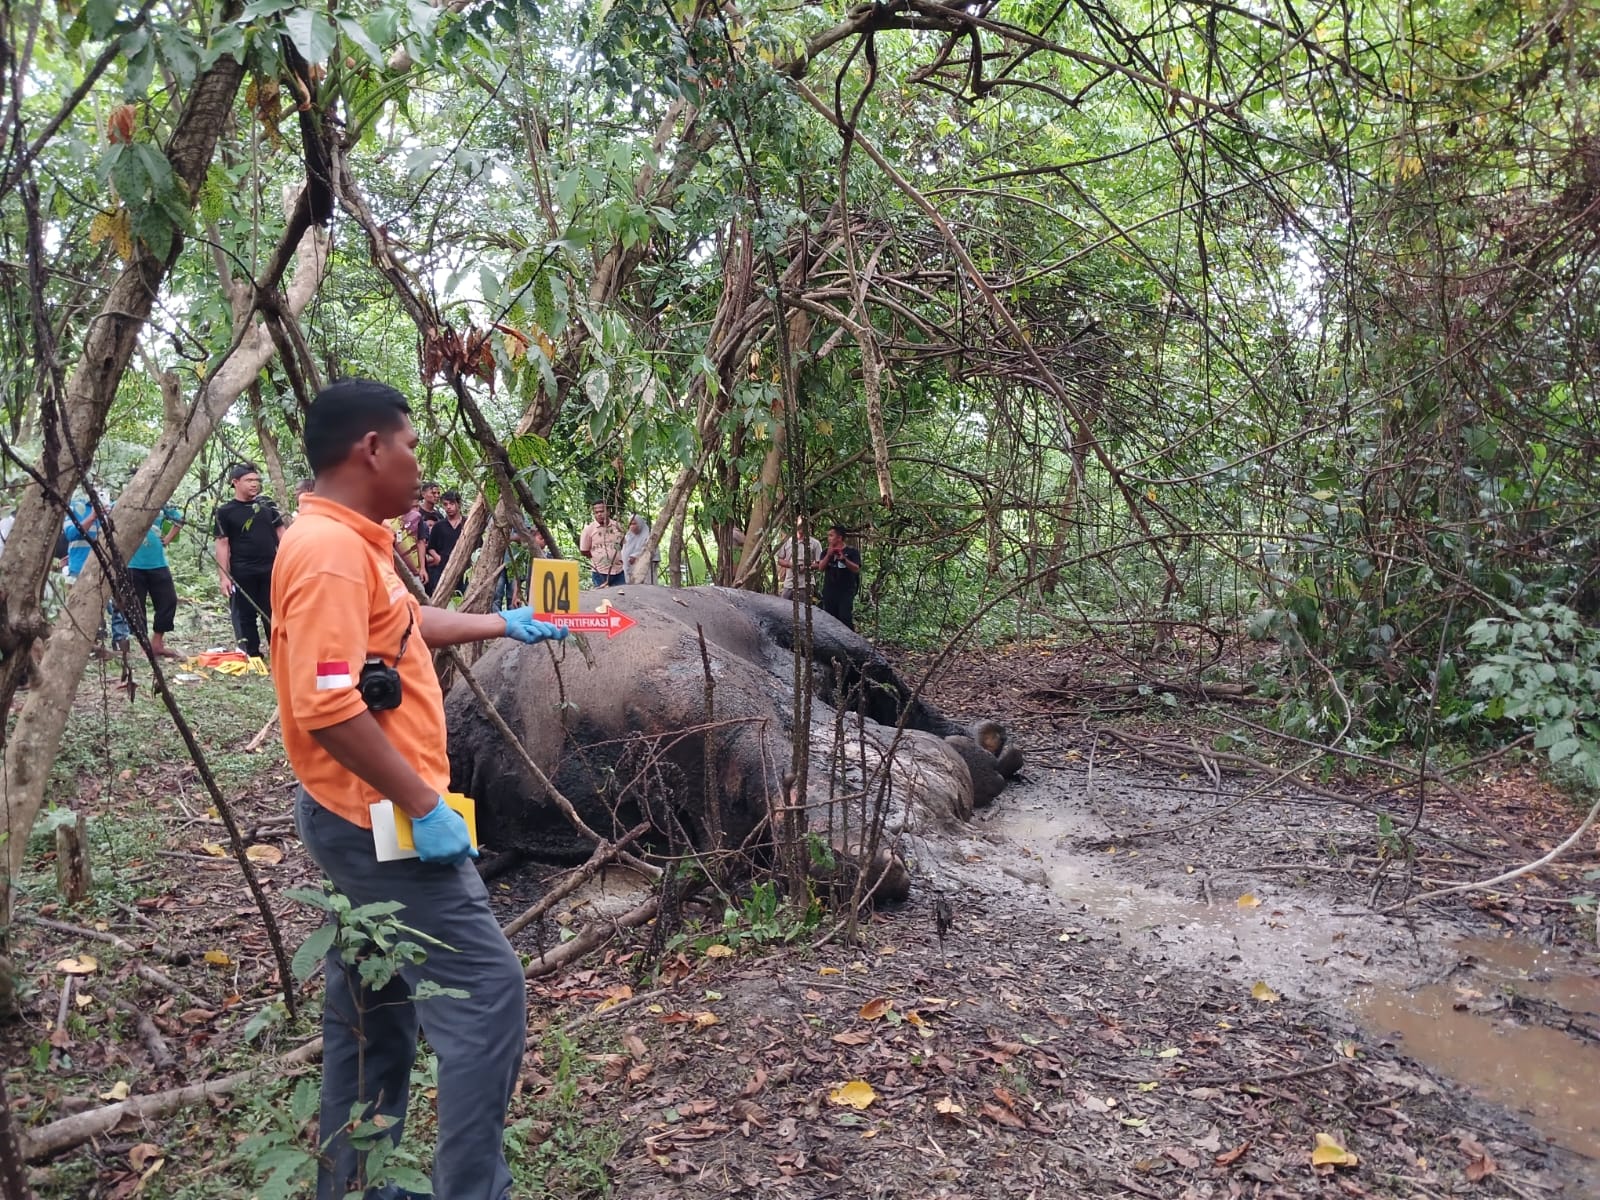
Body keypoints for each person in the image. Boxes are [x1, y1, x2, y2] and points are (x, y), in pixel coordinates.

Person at [272, 378, 566, 1200]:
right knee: (486, 994)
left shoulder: (347, 541)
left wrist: (501, 623)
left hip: (351, 815)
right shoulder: (328, 556)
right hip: (377, 821)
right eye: (410, 448)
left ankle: (359, 1184)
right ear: (372, 448)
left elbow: (401, 624)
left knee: (373, 1012)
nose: (416, 465)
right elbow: (327, 707)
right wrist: (425, 805)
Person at [212, 463, 283, 659]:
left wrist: (287, 562)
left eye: (257, 480)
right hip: (241, 572)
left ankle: (278, 652)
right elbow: (222, 543)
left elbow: (281, 533)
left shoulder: (267, 505)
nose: (254, 484)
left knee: (273, 612)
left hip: (271, 569)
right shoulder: (225, 512)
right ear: (235, 482)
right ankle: (251, 654)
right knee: (245, 616)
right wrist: (224, 577)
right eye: (249, 480)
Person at [64, 489, 131, 649]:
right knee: (86, 607)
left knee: (118, 603)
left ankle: (121, 641)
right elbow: (71, 534)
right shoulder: (75, 507)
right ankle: (93, 644)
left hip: (108, 565)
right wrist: (93, 516)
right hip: (80, 566)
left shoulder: (112, 509)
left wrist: (109, 517)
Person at [124, 502, 185, 658]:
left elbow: (179, 519)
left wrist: (167, 539)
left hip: (158, 563)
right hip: (132, 564)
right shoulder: (124, 503)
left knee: (168, 601)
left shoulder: (160, 503)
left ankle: (157, 643)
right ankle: (144, 647)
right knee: (136, 606)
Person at [818, 524, 862, 630]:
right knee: (829, 618)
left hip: (846, 591)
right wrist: (829, 555)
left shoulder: (852, 552)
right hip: (829, 591)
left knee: (845, 617)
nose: (829, 538)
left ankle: (850, 642)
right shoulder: (825, 552)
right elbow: (821, 568)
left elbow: (856, 568)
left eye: (831, 535)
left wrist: (844, 560)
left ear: (839, 537)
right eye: (828, 535)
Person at [425, 488, 466, 596]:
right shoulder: (439, 526)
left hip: (463, 569)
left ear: (459, 504)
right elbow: (430, 547)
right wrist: (437, 557)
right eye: (445, 504)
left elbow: (478, 545)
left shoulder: (468, 523)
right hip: (443, 569)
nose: (448, 507)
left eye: (452, 504)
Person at [578, 500, 625, 587]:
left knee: (621, 597)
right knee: (603, 598)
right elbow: (584, 551)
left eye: (602, 511)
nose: (599, 514)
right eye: (596, 512)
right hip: (600, 573)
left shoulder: (617, 526)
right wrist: (598, 556)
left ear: (608, 511)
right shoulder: (589, 530)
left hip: (618, 571)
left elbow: (622, 544)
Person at [775, 516, 822, 601]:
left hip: (806, 583)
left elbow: (820, 564)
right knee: (784, 607)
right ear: (796, 524)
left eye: (804, 524)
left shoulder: (815, 543)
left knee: (803, 609)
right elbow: (780, 560)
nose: (802, 526)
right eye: (800, 524)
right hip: (789, 583)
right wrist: (790, 565)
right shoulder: (787, 541)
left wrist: (807, 567)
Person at [401, 481, 442, 576]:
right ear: (423, 494)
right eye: (433, 493)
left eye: (438, 493)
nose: (436, 496)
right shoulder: (416, 513)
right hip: (416, 553)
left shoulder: (439, 516)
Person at [621, 512, 656, 585]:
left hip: (644, 569)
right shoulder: (628, 536)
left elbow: (650, 551)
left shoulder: (648, 536)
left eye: (634, 524)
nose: (632, 526)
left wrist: (636, 556)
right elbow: (624, 552)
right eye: (630, 524)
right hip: (630, 569)